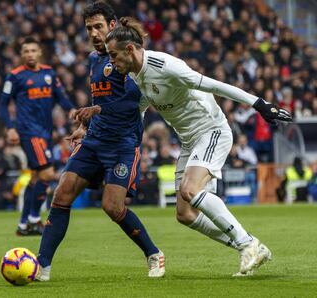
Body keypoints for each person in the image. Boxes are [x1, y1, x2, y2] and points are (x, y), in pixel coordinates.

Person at [80, 16, 292, 276]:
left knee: (190, 191)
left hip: (211, 130)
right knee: (185, 214)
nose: (111, 62)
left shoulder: (165, 65)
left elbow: (214, 84)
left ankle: (248, 244)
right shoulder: (134, 77)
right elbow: (136, 111)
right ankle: (248, 244)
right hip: (189, 140)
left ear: (130, 50)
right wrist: (100, 129)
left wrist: (259, 104)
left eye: (114, 55)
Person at [36, 2, 164, 281]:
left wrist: (98, 111)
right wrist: (85, 126)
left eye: (98, 27)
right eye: (89, 29)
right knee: (62, 194)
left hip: (122, 144)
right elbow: (101, 100)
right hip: (94, 140)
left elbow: (132, 103)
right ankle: (41, 265)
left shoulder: (126, 57)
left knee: (112, 207)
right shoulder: (94, 60)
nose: (93, 33)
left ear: (112, 25)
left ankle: (153, 253)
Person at [0, 37, 76, 235]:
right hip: (29, 132)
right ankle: (34, 219)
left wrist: (71, 110)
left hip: (45, 132)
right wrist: (10, 128)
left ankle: (24, 225)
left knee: (35, 178)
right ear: (21, 54)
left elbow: (61, 97)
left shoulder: (49, 73)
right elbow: (2, 104)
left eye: (33, 50)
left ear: (39, 52)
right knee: (48, 174)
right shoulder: (15, 76)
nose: (30, 54)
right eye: (26, 51)